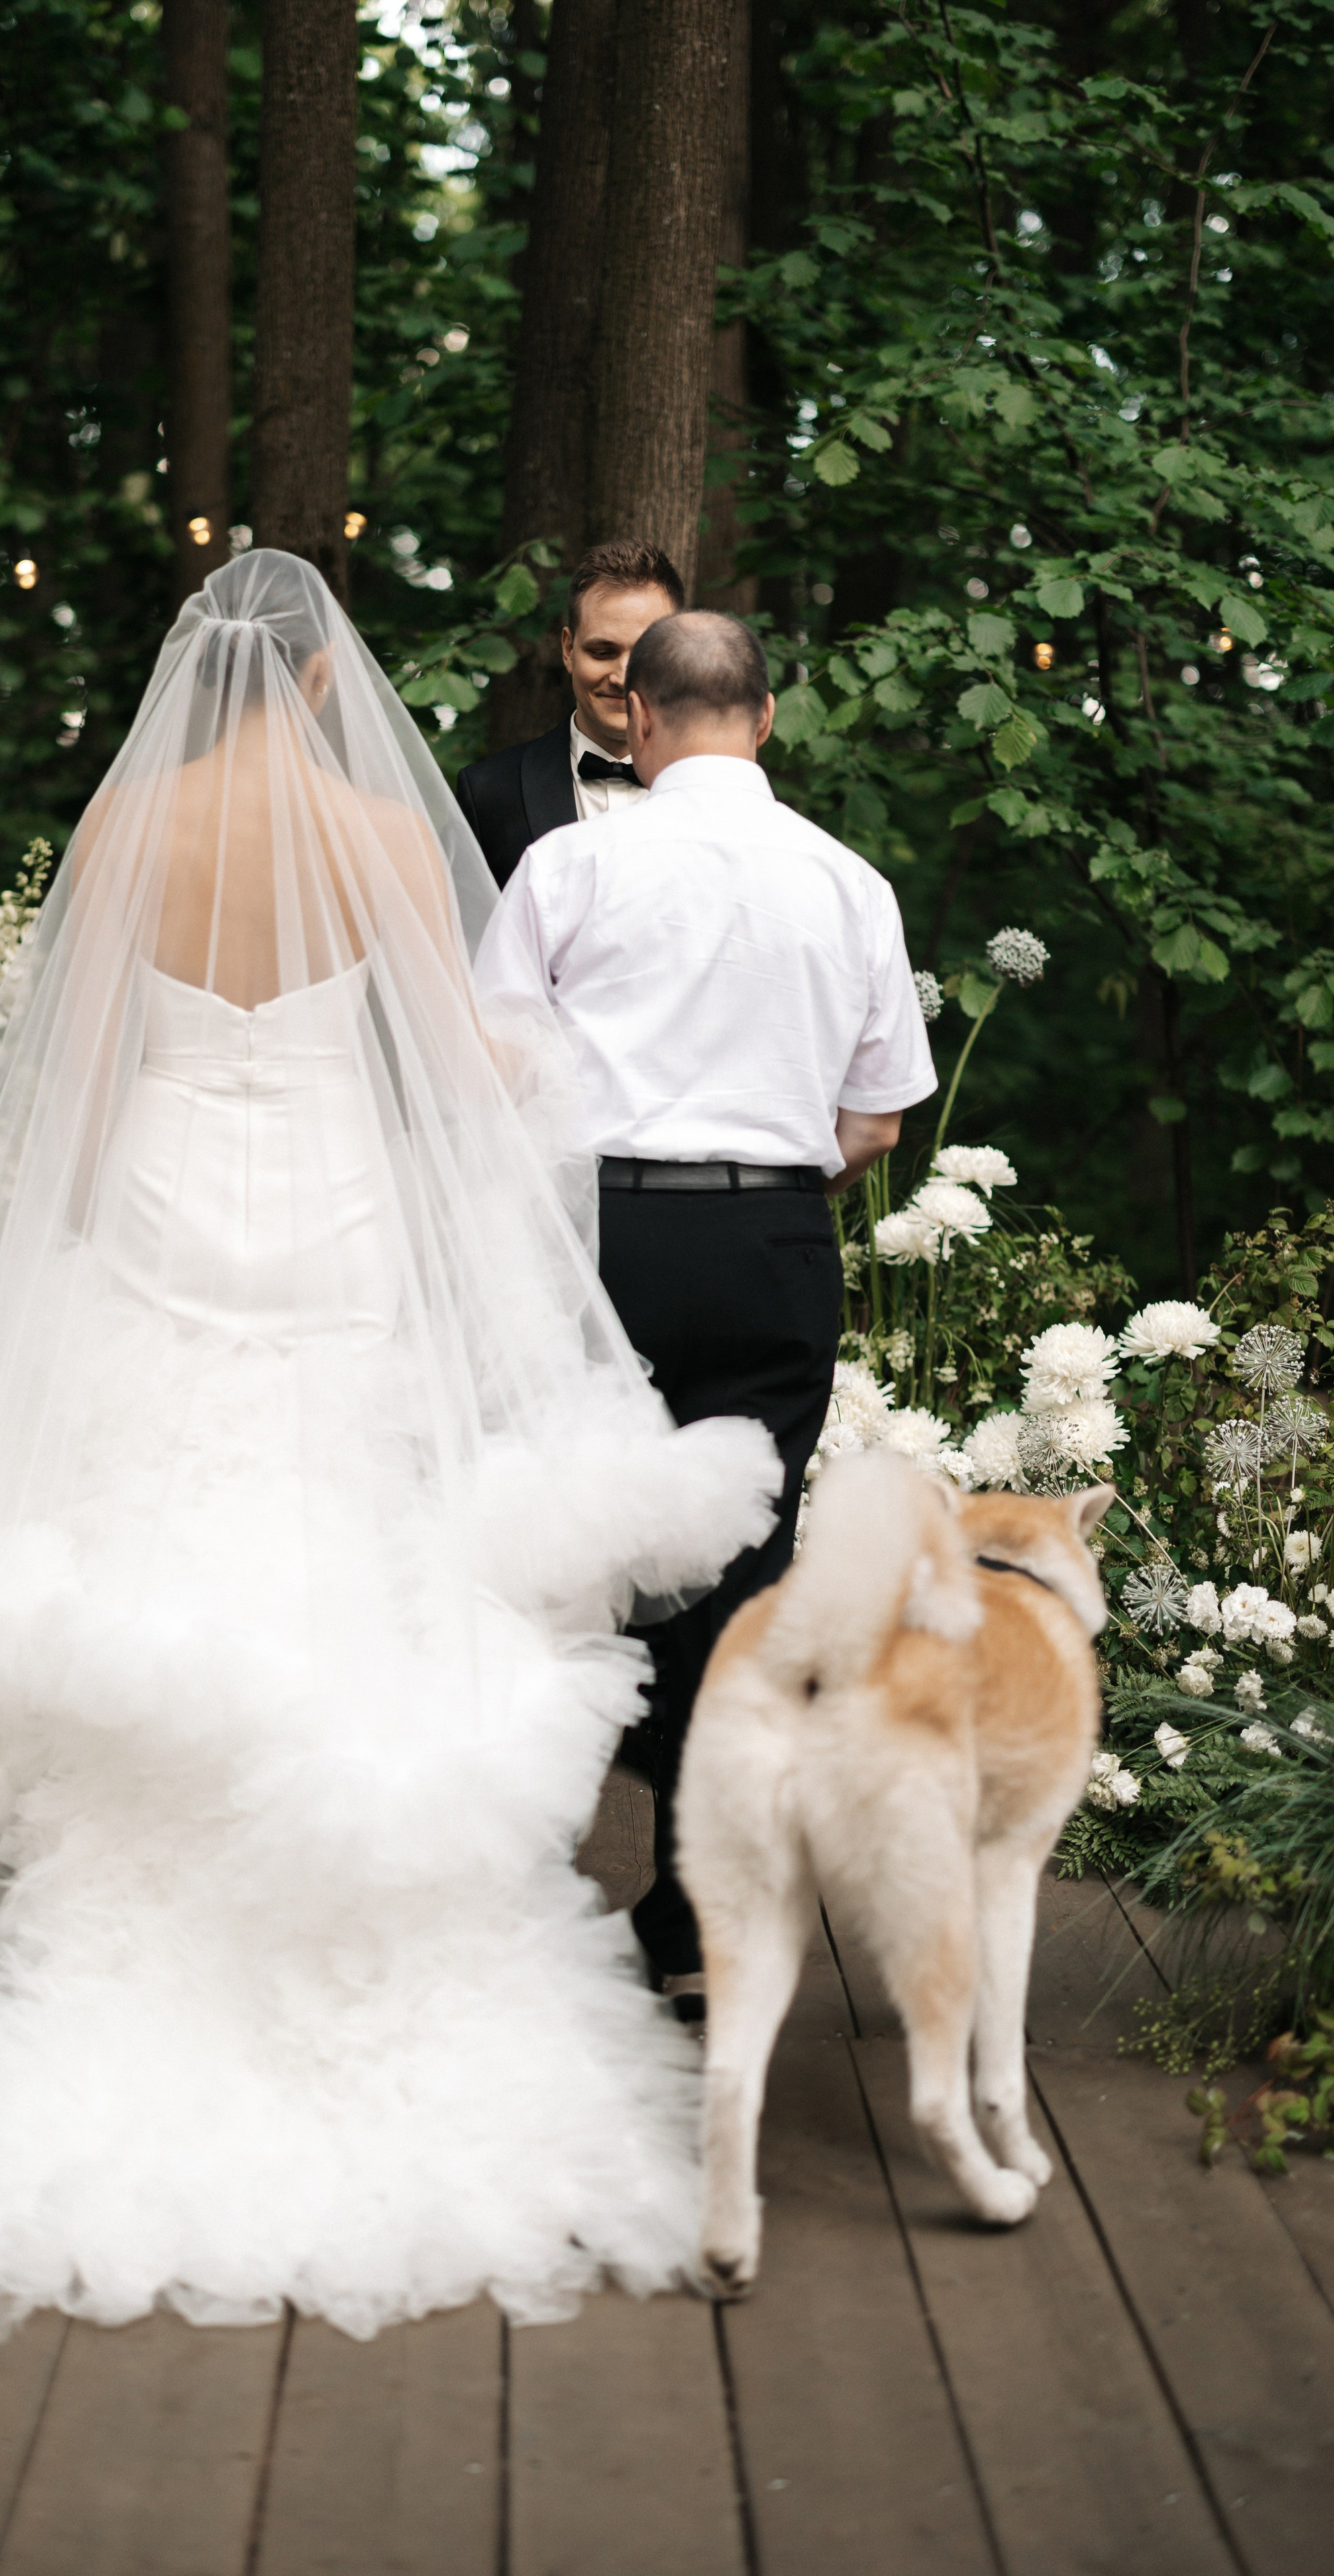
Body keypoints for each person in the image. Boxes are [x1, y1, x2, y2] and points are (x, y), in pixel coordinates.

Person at [0, 553, 779, 2341]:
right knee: (337, 1515)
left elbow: (70, 1064)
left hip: (162, 1193)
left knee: (158, 1508)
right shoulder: (375, 834)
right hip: (335, 1215)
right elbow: (452, 1072)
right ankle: (343, 1863)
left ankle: (153, 1877)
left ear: (201, 678)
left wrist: (37, 1259)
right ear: (318, 684)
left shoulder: (133, 817)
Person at [474, 609, 936, 2019]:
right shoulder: (849, 883)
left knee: (576, 1563)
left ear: (640, 721)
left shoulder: (567, 860)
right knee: (736, 1582)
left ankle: (528, 1900)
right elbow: (875, 1118)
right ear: (767, 718)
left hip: (602, 1245)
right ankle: (696, 1914)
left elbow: (489, 1073)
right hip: (769, 1243)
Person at [454, 539, 683, 888]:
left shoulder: (723, 795)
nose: (622, 677)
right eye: (602, 652)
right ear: (568, 650)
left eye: (645, 653)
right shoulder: (489, 792)